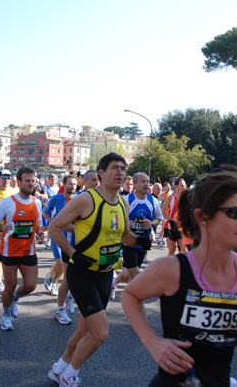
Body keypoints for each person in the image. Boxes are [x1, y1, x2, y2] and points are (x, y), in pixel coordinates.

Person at [122, 168, 237, 386]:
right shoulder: (171, 268)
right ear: (202, 217)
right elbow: (130, 295)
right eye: (235, 213)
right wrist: (153, 342)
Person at [47, 153, 148, 387]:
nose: (120, 172)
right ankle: (70, 375)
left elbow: (124, 235)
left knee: (84, 330)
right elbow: (54, 227)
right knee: (100, 332)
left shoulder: (123, 202)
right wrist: (73, 255)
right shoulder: (86, 200)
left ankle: (58, 368)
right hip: (82, 273)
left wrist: (142, 241)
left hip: (106, 274)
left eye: (123, 168)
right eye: (115, 167)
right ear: (102, 173)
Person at [0, 167, 44, 331]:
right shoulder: (7, 202)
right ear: (18, 182)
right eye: (27, 181)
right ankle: (5, 314)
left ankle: (13, 299)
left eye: (33, 181)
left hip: (29, 251)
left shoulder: (37, 203)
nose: (31, 184)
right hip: (9, 251)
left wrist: (40, 234)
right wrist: (3, 227)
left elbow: (37, 225)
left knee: (30, 286)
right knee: (10, 285)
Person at [112, 172, 163, 299]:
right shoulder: (126, 199)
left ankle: (112, 283)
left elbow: (159, 218)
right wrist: (125, 222)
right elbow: (115, 218)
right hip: (128, 241)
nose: (146, 184)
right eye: (143, 181)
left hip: (143, 242)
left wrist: (151, 223)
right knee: (134, 273)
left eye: (147, 181)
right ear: (135, 184)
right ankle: (134, 301)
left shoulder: (153, 200)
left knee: (130, 272)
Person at [43, 174, 77, 325]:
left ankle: (52, 280)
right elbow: (45, 211)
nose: (73, 186)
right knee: (60, 265)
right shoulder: (56, 199)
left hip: (74, 241)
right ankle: (60, 300)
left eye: (75, 184)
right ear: (64, 184)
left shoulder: (78, 200)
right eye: (70, 184)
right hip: (58, 237)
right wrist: (53, 223)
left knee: (64, 270)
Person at [161, 178, 187, 255]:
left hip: (182, 227)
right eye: (181, 185)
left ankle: (181, 265)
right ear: (176, 186)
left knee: (184, 249)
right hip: (170, 227)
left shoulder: (186, 198)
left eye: (184, 185)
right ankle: (169, 266)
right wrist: (170, 220)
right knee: (172, 250)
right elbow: (163, 210)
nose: (184, 187)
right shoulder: (170, 197)